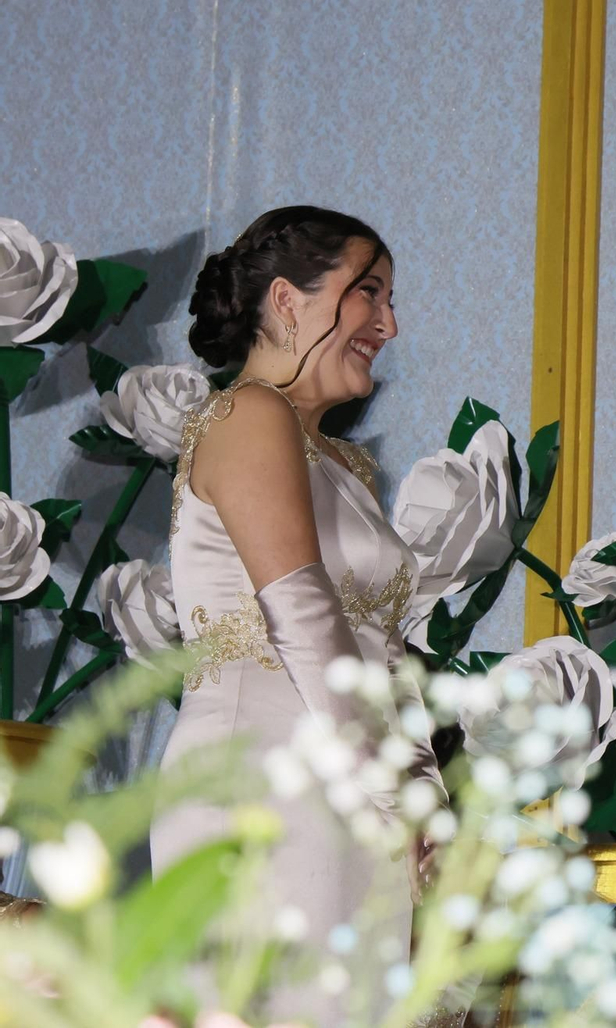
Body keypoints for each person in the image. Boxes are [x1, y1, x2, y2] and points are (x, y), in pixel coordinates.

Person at [150, 206, 446, 1026]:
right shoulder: (248, 415)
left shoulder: (347, 463)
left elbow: (384, 650)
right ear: (288, 300)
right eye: (369, 294)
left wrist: (424, 796)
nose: (388, 324)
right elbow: (305, 618)